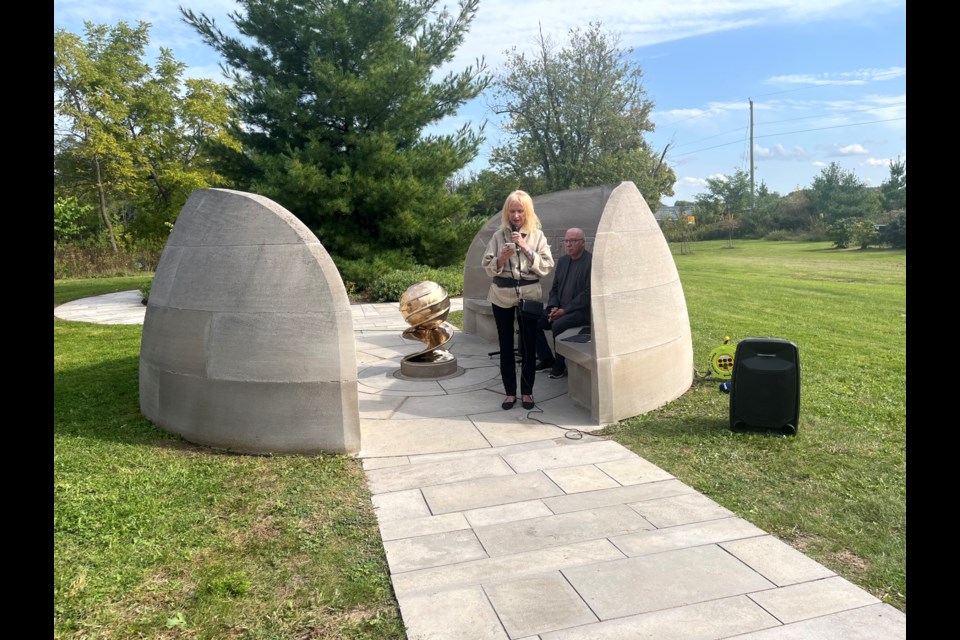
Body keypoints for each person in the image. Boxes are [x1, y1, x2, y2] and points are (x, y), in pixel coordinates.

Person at [481, 191, 555, 410]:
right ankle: (510, 393)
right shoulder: (498, 236)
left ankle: (528, 392)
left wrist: (524, 246)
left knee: (528, 344)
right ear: (507, 212)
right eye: (512, 211)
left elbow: (546, 265)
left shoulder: (537, 236)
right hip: (501, 295)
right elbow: (487, 266)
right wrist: (501, 258)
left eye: (520, 211)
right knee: (505, 345)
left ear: (527, 212)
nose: (515, 216)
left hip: (529, 294)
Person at [535, 227, 592, 379]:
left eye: (572, 241)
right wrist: (553, 307)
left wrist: (564, 311)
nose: (568, 244)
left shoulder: (590, 262)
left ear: (582, 243)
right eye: (566, 241)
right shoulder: (563, 261)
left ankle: (559, 365)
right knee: (533, 321)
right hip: (559, 308)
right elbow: (554, 288)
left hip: (579, 312)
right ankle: (547, 359)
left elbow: (587, 294)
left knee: (558, 325)